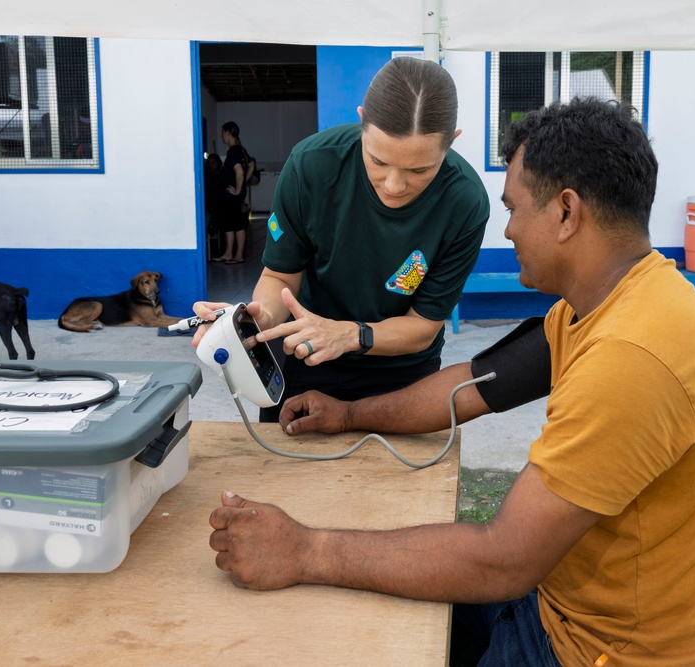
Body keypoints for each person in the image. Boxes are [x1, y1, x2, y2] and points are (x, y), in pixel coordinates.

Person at [207, 98, 695, 666]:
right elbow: (473, 384)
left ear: (567, 212)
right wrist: (349, 414)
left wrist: (305, 550)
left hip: (611, 652)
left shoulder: (632, 358)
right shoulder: (616, 302)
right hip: (569, 601)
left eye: (514, 209)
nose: (507, 230)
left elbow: (503, 560)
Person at [193, 57, 490, 423]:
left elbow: (423, 327)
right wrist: (259, 320)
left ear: (452, 141)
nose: (394, 185)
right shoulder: (311, 165)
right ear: (362, 121)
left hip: (402, 368)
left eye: (420, 169)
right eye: (378, 161)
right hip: (306, 354)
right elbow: (280, 276)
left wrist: (350, 335)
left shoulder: (465, 201)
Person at [212, 121, 250, 264]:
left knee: (236, 225)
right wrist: (242, 185)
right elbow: (251, 164)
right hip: (233, 197)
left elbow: (239, 172)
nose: (221, 136)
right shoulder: (241, 150)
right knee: (232, 225)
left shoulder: (233, 151)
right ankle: (229, 254)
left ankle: (237, 255)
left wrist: (238, 190)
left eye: (223, 133)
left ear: (228, 133)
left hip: (232, 197)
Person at [203, 153, 226, 260]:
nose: (211, 165)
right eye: (209, 163)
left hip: (219, 210)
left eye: (213, 163)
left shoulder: (223, 177)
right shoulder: (206, 178)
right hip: (210, 209)